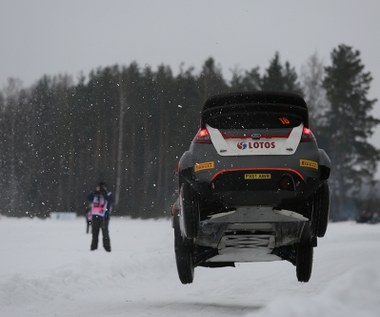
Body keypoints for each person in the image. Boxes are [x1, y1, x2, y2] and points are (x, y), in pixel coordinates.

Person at [88, 182, 113, 252]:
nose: (100, 189)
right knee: (94, 233)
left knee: (105, 233)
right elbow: (89, 198)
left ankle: (107, 248)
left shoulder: (108, 194)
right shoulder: (94, 194)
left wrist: (104, 192)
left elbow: (110, 200)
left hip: (104, 217)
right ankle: (93, 247)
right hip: (95, 216)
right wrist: (95, 191)